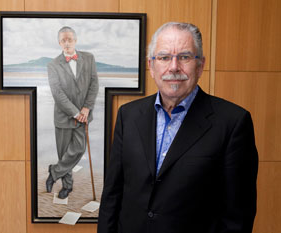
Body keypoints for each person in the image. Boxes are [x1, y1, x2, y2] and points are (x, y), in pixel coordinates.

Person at [98, 22, 258, 233]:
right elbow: (112, 195)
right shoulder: (128, 115)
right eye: (164, 58)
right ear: (151, 66)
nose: (173, 67)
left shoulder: (233, 122)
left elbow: (237, 216)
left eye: (184, 57)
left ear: (200, 65)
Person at [46, 26, 99, 199]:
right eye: (63, 40)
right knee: (63, 153)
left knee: (78, 149)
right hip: (63, 117)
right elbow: (57, 93)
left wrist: (86, 108)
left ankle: (54, 172)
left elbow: (94, 84)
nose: (67, 43)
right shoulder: (53, 65)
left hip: (83, 116)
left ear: (75, 40)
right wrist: (76, 113)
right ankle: (67, 186)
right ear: (59, 43)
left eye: (70, 39)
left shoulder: (89, 58)